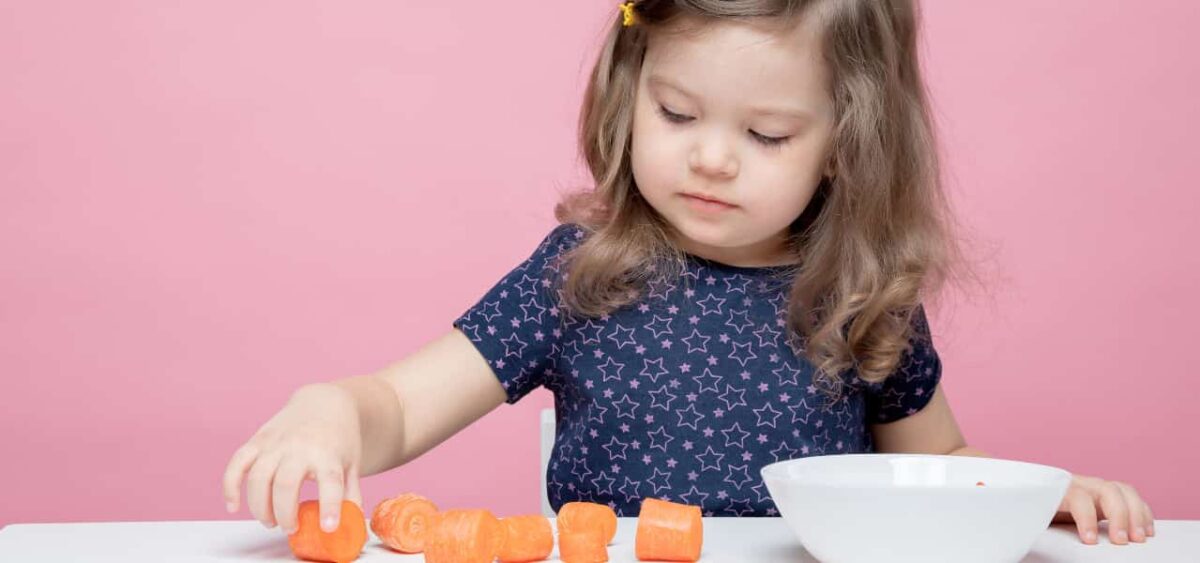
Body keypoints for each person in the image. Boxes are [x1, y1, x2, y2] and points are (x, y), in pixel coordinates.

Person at [223, 0, 1155, 546]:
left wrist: (1043, 493)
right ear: (633, 94)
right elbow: (397, 401)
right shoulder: (577, 279)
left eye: (766, 134)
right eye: (677, 113)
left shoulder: (863, 301)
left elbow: (942, 466)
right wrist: (332, 409)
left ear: (845, 145)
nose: (713, 159)